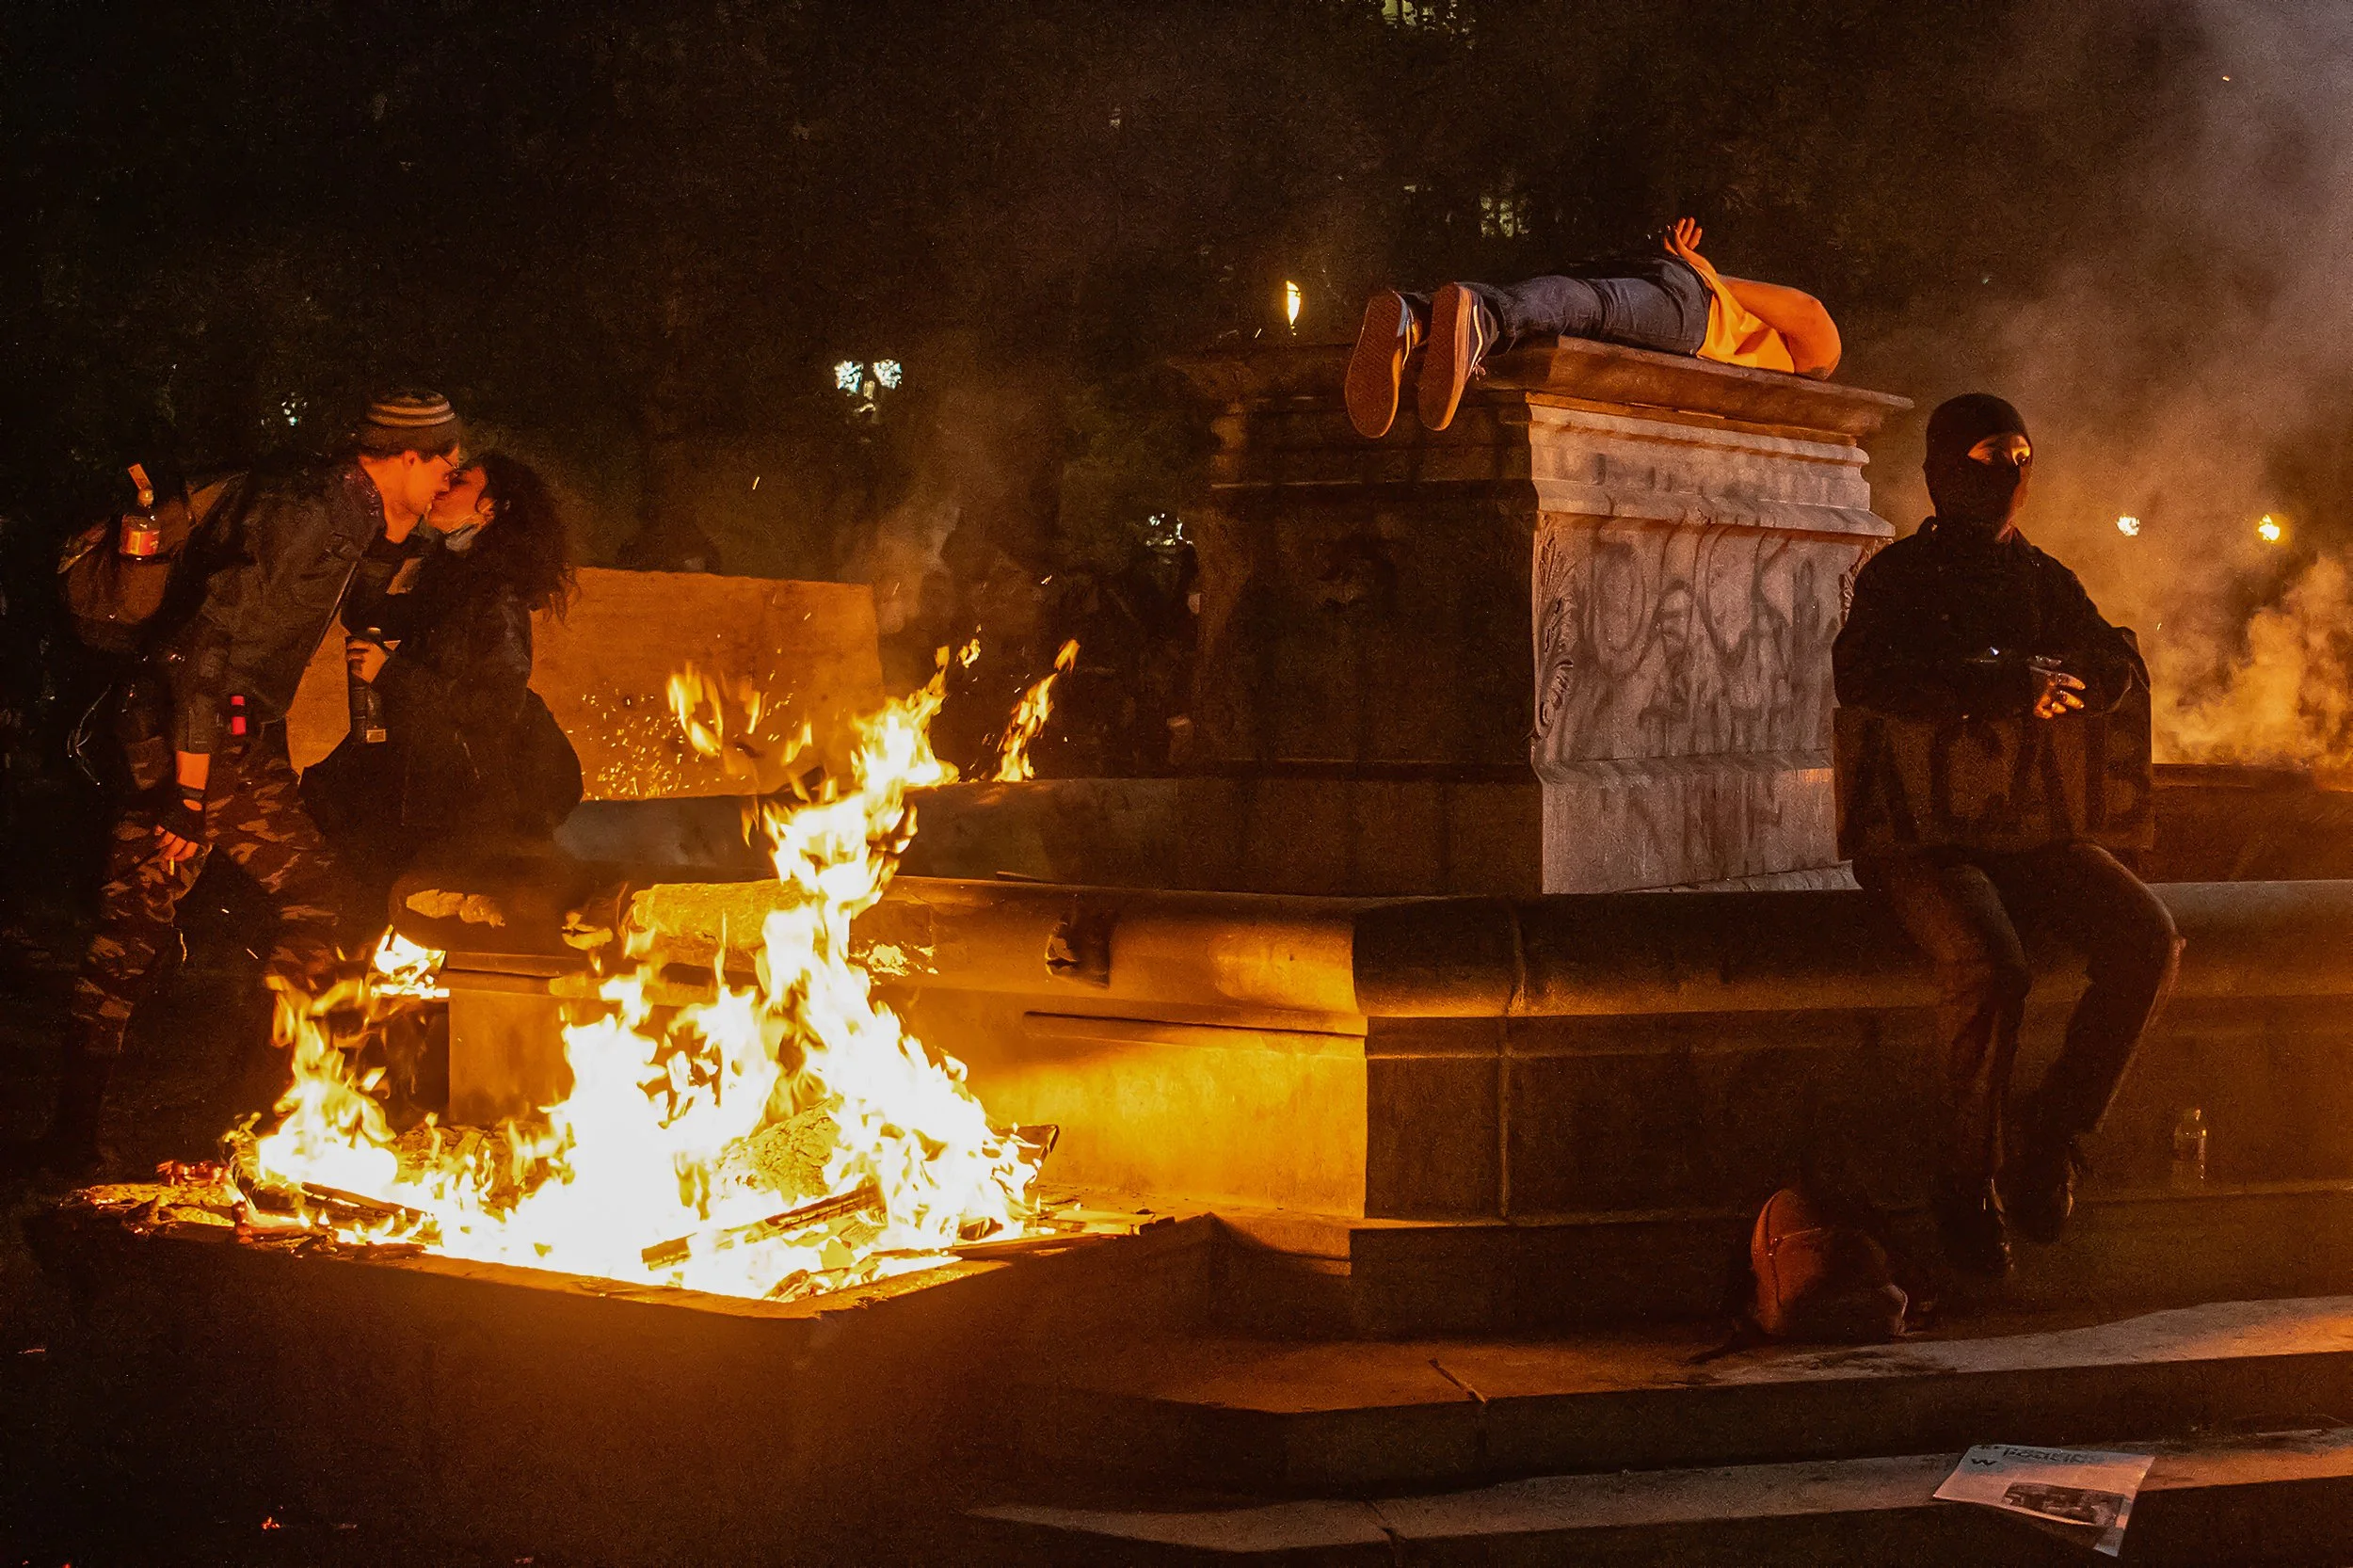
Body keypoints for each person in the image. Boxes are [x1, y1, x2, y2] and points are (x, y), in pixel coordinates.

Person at [10, 391, 466, 1175]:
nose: (453, 475)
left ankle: (79, 1137)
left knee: (134, 925)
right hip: (201, 732)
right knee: (320, 899)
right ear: (406, 455)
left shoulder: (347, 511)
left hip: (208, 730)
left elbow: (344, 604)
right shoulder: (312, 511)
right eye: (446, 461)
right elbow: (201, 647)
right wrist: (186, 793)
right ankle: (262, 1101)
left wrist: (406, 538)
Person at [1833, 392, 2184, 1278]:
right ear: (1940, 473)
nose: (2006, 481)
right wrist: (1994, 684)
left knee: (2146, 935)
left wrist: (2088, 680)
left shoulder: (2041, 579)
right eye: (1986, 460)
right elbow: (1865, 678)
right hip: (1918, 839)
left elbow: (2117, 658)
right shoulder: (1895, 581)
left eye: (2021, 460)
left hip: (2029, 832)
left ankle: (2052, 1135)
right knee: (1989, 963)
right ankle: (1965, 1183)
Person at [308, 452, 583, 909]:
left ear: (490, 508)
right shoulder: (453, 581)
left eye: (460, 480)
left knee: (409, 906)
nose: (443, 484)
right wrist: (391, 539)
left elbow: (492, 708)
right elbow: (364, 613)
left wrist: (389, 672)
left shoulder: (496, 599)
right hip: (418, 780)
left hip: (456, 799)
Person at [1346, 217, 1843, 439]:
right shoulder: (1812, 357)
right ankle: (1485, 318)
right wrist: (1705, 273)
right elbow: (1811, 313)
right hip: (1693, 307)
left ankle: (1417, 317)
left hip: (1664, 274)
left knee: (1560, 297)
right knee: (1590, 307)